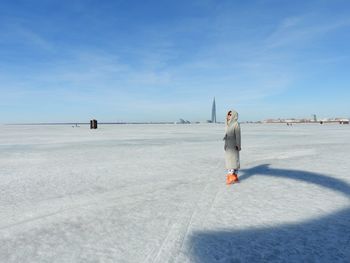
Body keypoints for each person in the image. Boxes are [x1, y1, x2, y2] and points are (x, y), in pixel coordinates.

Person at [223, 110, 241, 185]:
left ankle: (231, 177)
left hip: (233, 145)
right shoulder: (227, 124)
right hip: (228, 145)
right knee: (229, 161)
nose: (229, 115)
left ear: (233, 115)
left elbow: (238, 136)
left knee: (232, 162)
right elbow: (226, 135)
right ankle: (234, 176)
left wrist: (238, 145)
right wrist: (225, 144)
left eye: (230, 114)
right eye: (228, 114)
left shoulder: (236, 124)